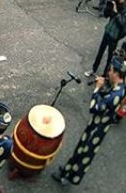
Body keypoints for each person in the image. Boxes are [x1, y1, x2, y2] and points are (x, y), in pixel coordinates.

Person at [53, 56, 125, 186]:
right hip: (98, 126)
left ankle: (68, 177)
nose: (108, 72)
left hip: (96, 129)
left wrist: (97, 88)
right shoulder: (121, 87)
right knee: (81, 150)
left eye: (111, 70)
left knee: (83, 153)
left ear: (116, 73)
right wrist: (104, 88)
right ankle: (67, 170)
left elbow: (94, 108)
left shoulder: (115, 95)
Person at [86, 0, 126, 77]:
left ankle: (104, 75)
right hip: (108, 31)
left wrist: (116, 11)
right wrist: (108, 5)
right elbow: (106, 15)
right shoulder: (116, 2)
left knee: (110, 57)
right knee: (100, 52)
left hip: (115, 35)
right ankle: (93, 69)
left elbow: (122, 23)